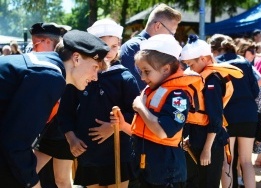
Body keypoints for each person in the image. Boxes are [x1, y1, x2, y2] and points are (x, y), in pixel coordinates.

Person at [0, 29, 110, 188]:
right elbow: (15, 143)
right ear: (77, 58)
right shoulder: (49, 76)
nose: (95, 77)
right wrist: (32, 182)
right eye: (94, 67)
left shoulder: (49, 68)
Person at [59, 18, 140, 188]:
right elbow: (65, 111)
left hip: (117, 152)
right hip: (89, 152)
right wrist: (71, 138)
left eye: (114, 46)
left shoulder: (125, 78)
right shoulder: (77, 76)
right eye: (104, 45)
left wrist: (113, 127)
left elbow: (134, 113)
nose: (109, 52)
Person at [111, 34, 190, 187]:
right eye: (140, 71)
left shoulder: (177, 95)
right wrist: (123, 126)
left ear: (166, 69)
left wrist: (140, 107)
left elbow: (162, 131)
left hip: (166, 174)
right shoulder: (152, 91)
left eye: (146, 71)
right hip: (146, 170)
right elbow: (145, 133)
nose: (142, 77)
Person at [180, 34, 243, 188]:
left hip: (210, 142)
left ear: (202, 58)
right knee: (193, 182)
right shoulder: (200, 77)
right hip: (196, 137)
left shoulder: (212, 80)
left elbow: (215, 118)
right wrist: (191, 138)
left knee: (208, 183)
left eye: (191, 64)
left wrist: (207, 149)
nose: (189, 68)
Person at [208, 34, 259, 188]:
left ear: (216, 50)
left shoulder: (217, 64)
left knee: (227, 161)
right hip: (249, 116)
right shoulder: (245, 62)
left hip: (227, 117)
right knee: (246, 161)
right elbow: (255, 91)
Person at [29, 22, 74, 188]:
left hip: (64, 131)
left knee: (62, 180)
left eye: (36, 44)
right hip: (48, 131)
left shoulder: (67, 61)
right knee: (30, 173)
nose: (33, 49)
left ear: (48, 42)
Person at [120, 3, 182, 89]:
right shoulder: (137, 48)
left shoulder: (136, 46)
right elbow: (138, 89)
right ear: (158, 26)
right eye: (171, 33)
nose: (172, 37)